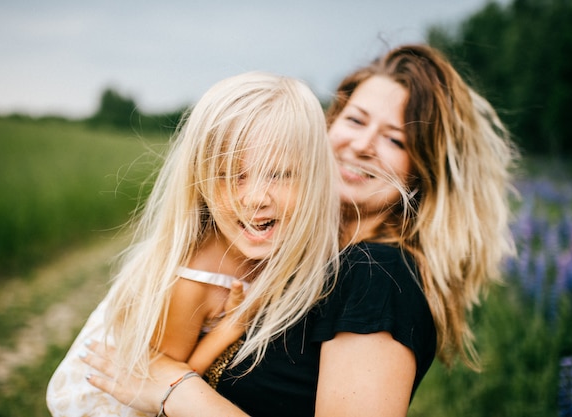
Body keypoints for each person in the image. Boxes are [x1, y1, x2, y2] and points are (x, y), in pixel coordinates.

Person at [80, 43, 518, 417]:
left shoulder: (377, 276)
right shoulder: (300, 259)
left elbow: (174, 383)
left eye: (395, 140)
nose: (363, 145)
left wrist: (175, 388)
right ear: (323, 129)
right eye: (356, 120)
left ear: (423, 171)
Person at [46, 71, 341, 417]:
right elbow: (166, 379)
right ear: (200, 180)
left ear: (314, 178)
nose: (256, 198)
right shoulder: (192, 280)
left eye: (279, 174)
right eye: (234, 175)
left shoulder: (285, 250)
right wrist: (229, 329)